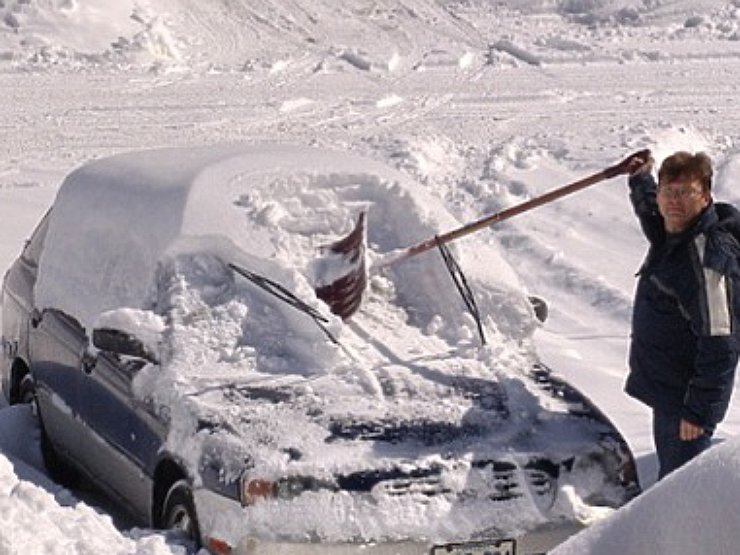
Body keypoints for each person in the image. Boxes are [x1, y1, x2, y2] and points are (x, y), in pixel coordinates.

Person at [620, 149, 740, 479]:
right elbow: (651, 213)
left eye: (686, 192)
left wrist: (699, 413)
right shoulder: (673, 233)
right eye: (668, 192)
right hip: (670, 391)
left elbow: (722, 343)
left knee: (679, 494)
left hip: (687, 403)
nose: (675, 201)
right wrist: (640, 177)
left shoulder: (706, 260)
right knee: (672, 482)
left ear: (706, 198)